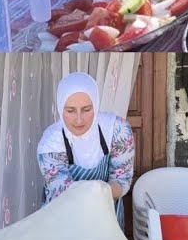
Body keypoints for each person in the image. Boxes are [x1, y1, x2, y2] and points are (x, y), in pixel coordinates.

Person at [36, 72, 135, 226]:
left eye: (87, 109)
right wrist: (98, 191)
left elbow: (122, 179)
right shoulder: (51, 143)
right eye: (70, 111)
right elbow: (62, 192)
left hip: (107, 219)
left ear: (95, 104)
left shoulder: (117, 130)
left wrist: (102, 192)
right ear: (60, 108)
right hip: (63, 220)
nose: (79, 119)